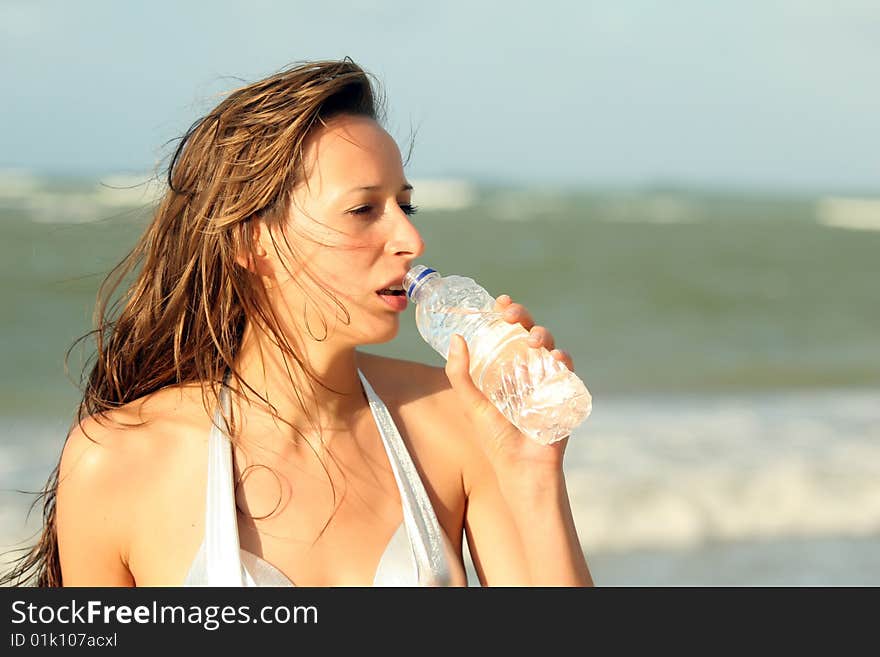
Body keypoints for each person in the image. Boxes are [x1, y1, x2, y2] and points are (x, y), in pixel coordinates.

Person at [2, 58, 593, 587]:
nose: (410, 238)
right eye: (364, 210)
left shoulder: (454, 422)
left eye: (405, 205)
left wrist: (533, 475)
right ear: (251, 238)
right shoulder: (121, 459)